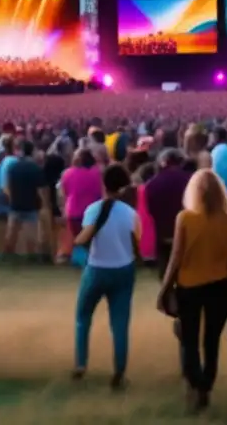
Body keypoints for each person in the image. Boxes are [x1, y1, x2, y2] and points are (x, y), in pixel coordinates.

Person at [159, 169, 227, 412]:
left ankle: (195, 383)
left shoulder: (185, 218)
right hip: (221, 286)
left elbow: (176, 257)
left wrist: (165, 289)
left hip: (190, 287)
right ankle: (206, 384)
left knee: (189, 340)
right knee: (211, 340)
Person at [72, 163, 139, 390]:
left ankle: (81, 364)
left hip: (97, 268)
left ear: (104, 184)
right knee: (120, 325)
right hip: (123, 269)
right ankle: (119, 372)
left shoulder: (93, 210)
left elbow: (84, 237)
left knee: (83, 317)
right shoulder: (131, 213)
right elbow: (137, 242)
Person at [144, 148, 193, 276]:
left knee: (165, 271)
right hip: (186, 232)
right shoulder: (190, 180)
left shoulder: (152, 184)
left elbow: (149, 209)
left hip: (163, 233)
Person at [4, 140, 49, 259]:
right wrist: (44, 205)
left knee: (11, 235)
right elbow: (41, 190)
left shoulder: (13, 166)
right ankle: (31, 259)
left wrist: (11, 199)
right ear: (32, 152)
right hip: (31, 205)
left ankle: (8, 257)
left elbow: (8, 186)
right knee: (31, 236)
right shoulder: (35, 168)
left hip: (15, 204)